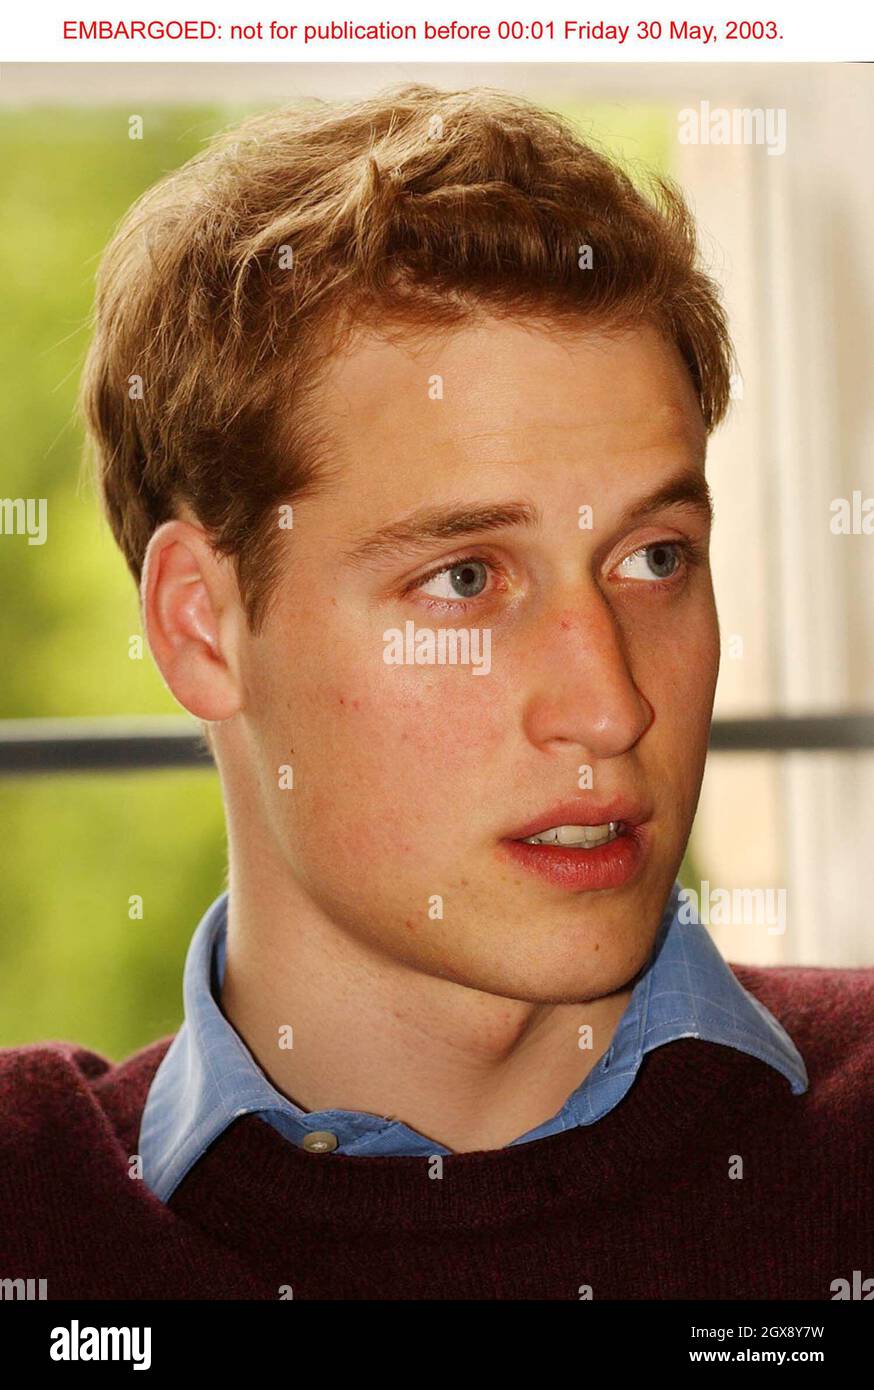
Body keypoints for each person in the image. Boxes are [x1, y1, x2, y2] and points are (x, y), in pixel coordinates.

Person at [1, 83, 871, 1301]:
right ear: (201, 626)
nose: (610, 705)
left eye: (653, 558)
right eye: (464, 577)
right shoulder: (32, 1208)